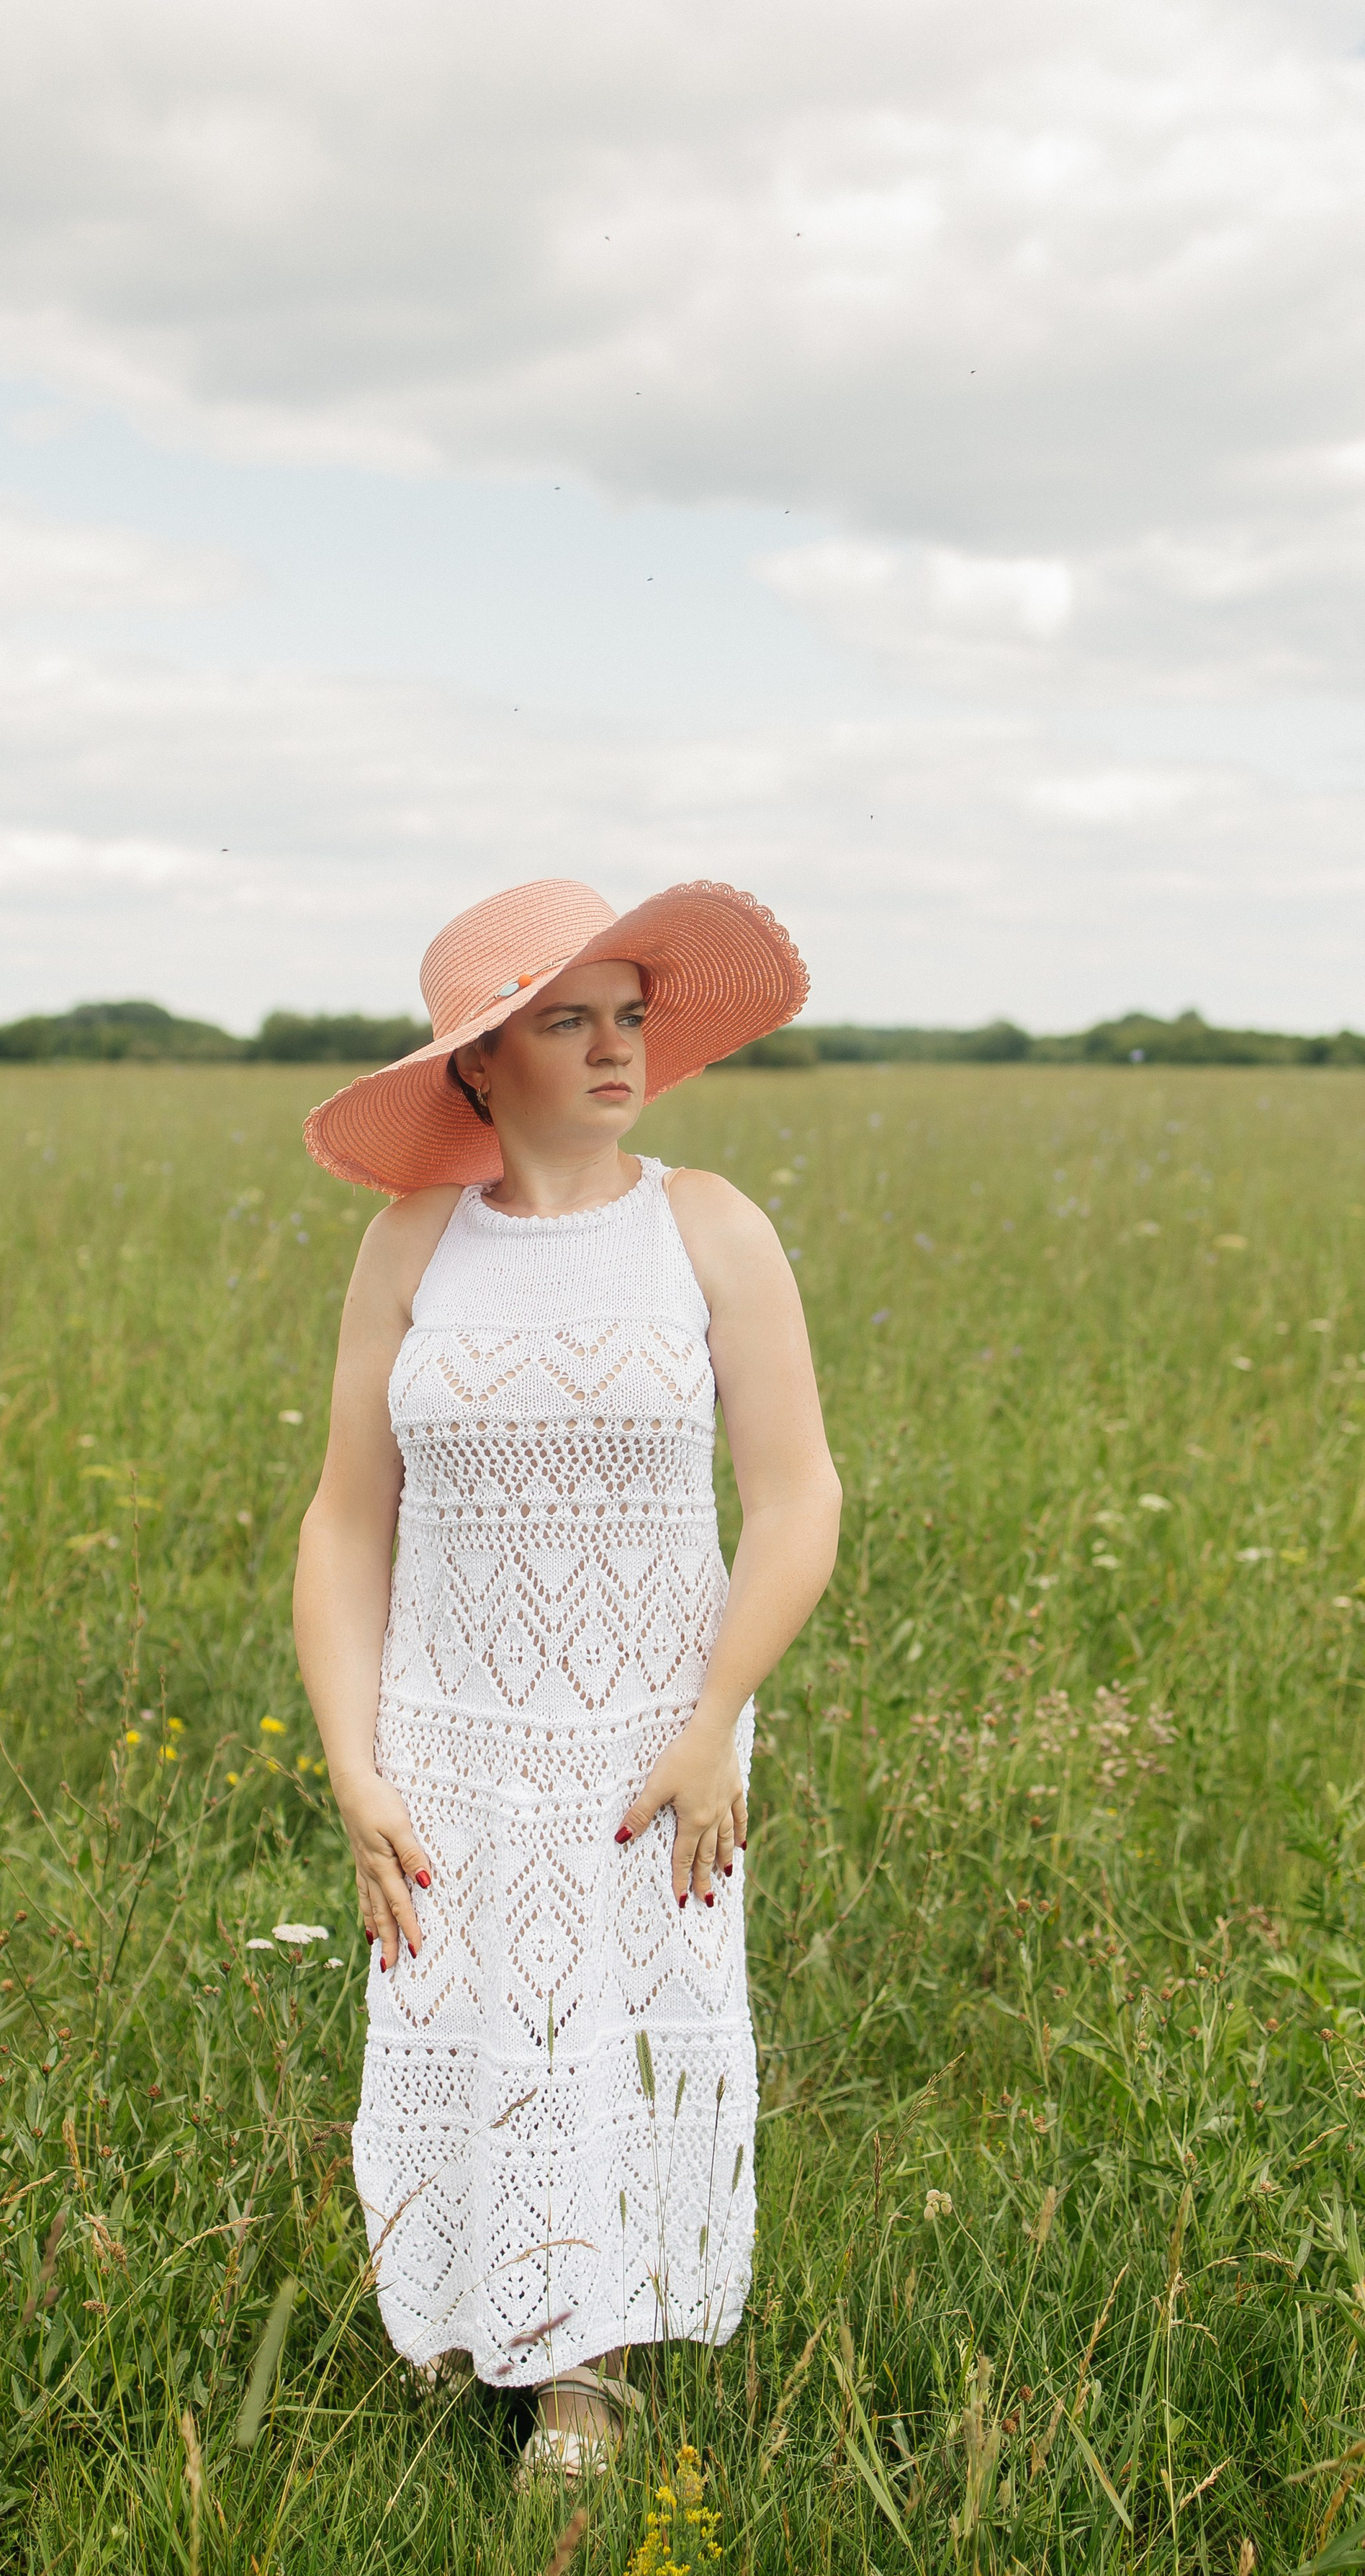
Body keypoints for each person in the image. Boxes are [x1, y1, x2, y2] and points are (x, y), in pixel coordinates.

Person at [293, 875, 842, 2474]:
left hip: (648, 1738)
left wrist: (710, 1724)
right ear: (478, 1061)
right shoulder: (410, 1245)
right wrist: (351, 1760)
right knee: (459, 2026)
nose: (613, 1051)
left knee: (607, 2036)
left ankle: (584, 2386)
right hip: (447, 1733)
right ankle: (472, 2314)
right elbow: (343, 1519)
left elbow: (798, 1498)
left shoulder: (708, 1223)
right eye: (565, 1021)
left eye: (628, 1018)